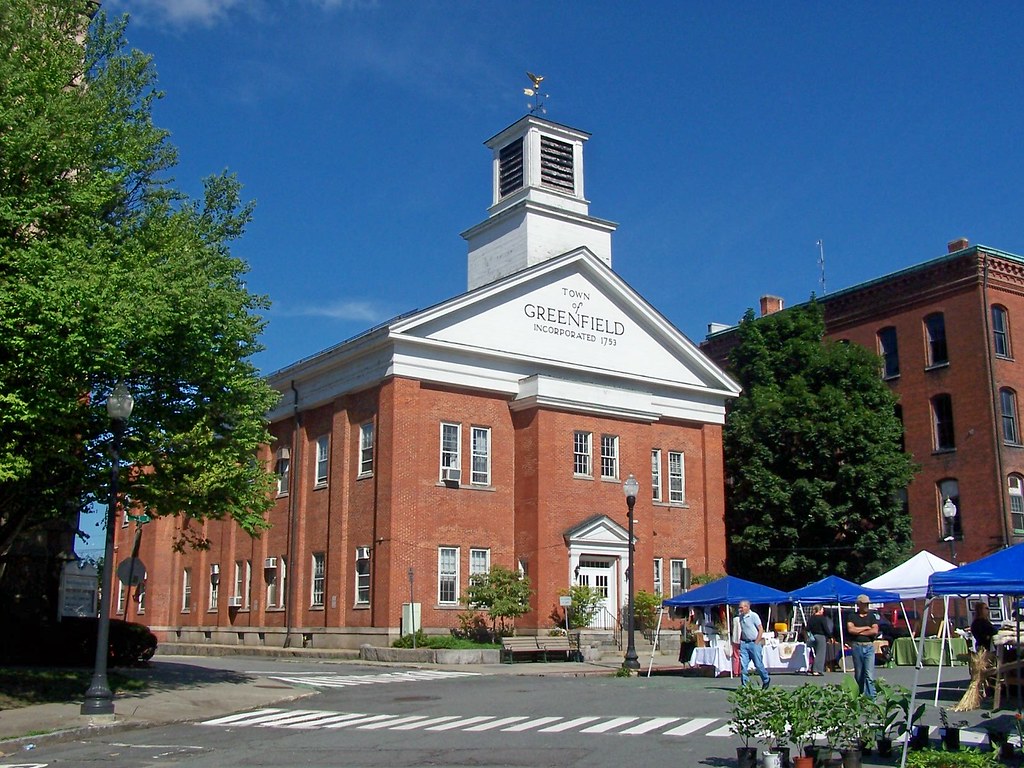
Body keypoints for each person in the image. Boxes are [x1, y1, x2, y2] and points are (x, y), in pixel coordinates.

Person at [846, 594, 879, 698]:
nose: (866, 606)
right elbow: (851, 629)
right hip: (857, 646)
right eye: (864, 604)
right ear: (859, 604)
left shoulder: (871, 616)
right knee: (859, 674)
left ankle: (871, 697)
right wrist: (865, 628)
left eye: (867, 604)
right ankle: (858, 695)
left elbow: (874, 630)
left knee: (869, 674)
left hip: (868, 646)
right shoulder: (852, 616)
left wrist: (858, 631)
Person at [735, 600, 770, 688]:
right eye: (739, 607)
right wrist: (740, 641)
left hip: (753, 642)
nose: (740, 609)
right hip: (744, 643)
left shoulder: (754, 616)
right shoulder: (740, 617)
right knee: (743, 666)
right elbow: (742, 630)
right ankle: (745, 686)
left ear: (747, 607)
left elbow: (760, 629)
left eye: (741, 607)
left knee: (758, 664)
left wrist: (757, 642)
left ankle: (766, 679)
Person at [804, 604, 830, 676]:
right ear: (820, 610)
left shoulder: (811, 618)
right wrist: (830, 636)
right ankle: (817, 670)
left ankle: (812, 668)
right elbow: (826, 628)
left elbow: (807, 628)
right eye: (822, 609)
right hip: (821, 636)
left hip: (813, 636)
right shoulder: (822, 618)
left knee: (815, 653)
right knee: (820, 654)